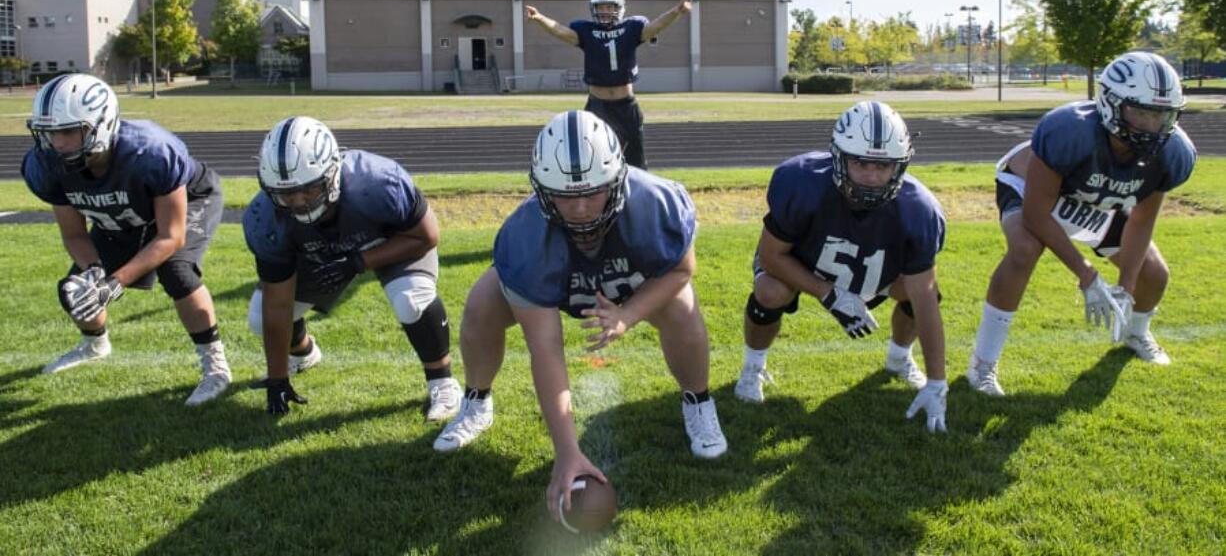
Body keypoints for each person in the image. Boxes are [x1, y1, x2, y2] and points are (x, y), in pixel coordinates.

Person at [434, 110, 727, 521]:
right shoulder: (526, 235)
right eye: (565, 196)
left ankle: (698, 402)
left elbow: (682, 268)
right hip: (557, 279)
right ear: (540, 187)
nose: (581, 208)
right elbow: (546, 350)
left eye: (593, 192)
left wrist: (628, 314)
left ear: (618, 178)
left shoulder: (653, 202)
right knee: (482, 306)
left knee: (681, 305)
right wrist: (567, 452)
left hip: (630, 281)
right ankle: (476, 402)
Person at [968, 51, 1196, 395]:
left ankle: (1136, 331)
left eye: (1162, 115)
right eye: (1143, 113)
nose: (1153, 126)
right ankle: (982, 364)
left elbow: (1141, 220)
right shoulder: (1068, 131)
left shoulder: (1172, 152)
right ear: (1111, 104)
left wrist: (1126, 288)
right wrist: (1087, 274)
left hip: (1090, 196)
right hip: (1031, 186)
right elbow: (1036, 214)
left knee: (1154, 273)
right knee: (1025, 249)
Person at [734, 101, 949, 433]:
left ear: (901, 165)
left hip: (874, 270)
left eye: (884, 166)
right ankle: (753, 366)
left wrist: (938, 382)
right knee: (770, 290)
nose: (872, 177)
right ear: (838, 156)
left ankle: (899, 357)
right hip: (805, 261)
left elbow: (925, 296)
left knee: (920, 294)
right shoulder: (801, 182)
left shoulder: (919, 210)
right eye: (860, 163)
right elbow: (771, 256)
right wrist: (829, 294)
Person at [22, 74, 231, 405]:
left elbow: (171, 236)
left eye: (66, 132)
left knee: (178, 272)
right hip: (124, 212)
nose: (56, 143)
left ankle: (215, 366)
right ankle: (94, 343)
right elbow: (74, 234)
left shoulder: (151, 151)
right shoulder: (46, 165)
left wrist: (115, 282)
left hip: (186, 201)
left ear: (101, 124)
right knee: (76, 289)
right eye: (49, 132)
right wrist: (93, 272)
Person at [243, 115, 460, 418]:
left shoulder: (376, 181)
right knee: (257, 316)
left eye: (308, 189)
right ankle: (303, 353)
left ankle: (443, 382)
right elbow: (278, 304)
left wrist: (359, 262)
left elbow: (426, 236)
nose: (297, 202)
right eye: (286, 194)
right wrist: (277, 378)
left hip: (390, 240)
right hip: (320, 253)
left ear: (331, 173)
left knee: (412, 299)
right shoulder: (265, 218)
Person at [525, 0, 690, 169]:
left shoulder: (632, 27)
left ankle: (632, 197)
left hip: (626, 105)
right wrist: (540, 18)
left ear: (619, 7)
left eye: (609, 6)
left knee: (636, 162)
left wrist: (676, 11)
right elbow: (560, 30)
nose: (605, 11)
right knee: (594, 160)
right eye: (601, 7)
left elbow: (656, 26)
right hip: (598, 106)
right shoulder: (586, 31)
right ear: (593, 9)